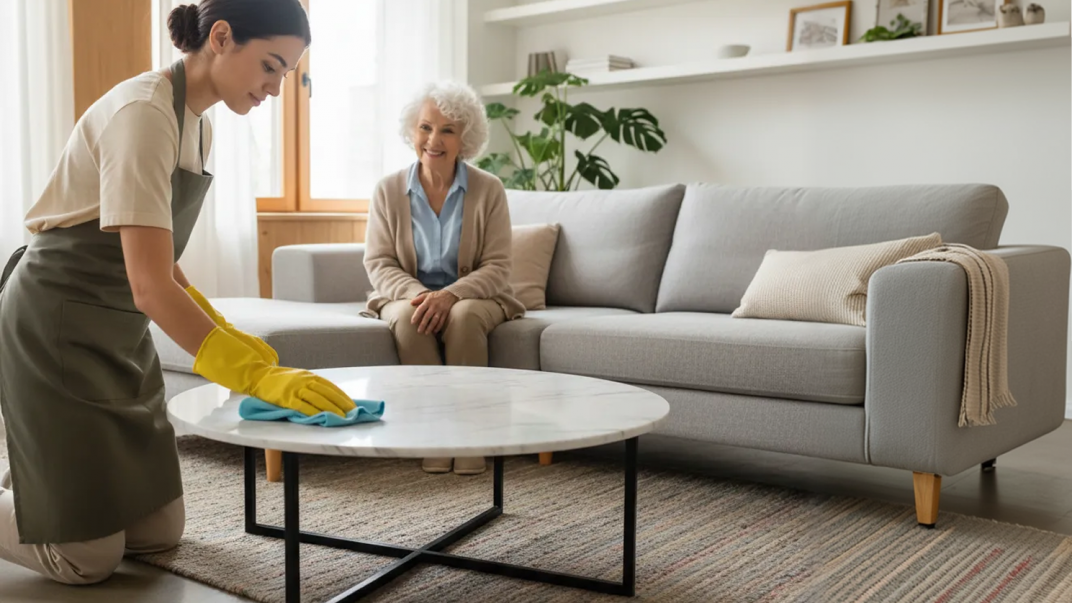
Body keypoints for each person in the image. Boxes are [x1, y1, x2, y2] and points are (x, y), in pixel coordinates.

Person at [0, 0, 355, 585]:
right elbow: (149, 286)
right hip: (56, 326)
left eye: (286, 74)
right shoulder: (144, 114)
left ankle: (42, 479)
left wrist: (233, 338)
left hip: (118, 331)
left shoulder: (198, 124)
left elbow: (163, 262)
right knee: (86, 558)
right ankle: (42, 486)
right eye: (270, 66)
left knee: (158, 532)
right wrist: (250, 374)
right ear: (221, 37)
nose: (274, 88)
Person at [363, 81, 526, 476]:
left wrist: (450, 295)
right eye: (425, 127)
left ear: (465, 139)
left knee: (463, 316)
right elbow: (379, 261)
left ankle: (470, 438)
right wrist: (422, 295)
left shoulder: (489, 189)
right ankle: (434, 436)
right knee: (409, 317)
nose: (433, 140)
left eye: (447, 130)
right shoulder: (387, 190)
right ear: (412, 130)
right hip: (409, 295)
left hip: (475, 298)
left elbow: (498, 265)